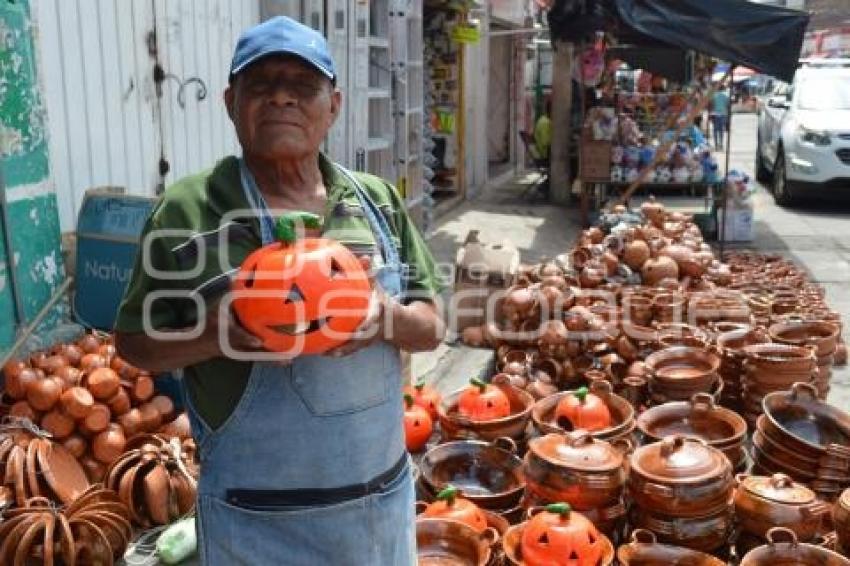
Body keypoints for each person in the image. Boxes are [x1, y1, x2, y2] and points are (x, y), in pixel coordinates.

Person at [114, 16, 445, 566]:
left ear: (333, 105)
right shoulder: (187, 212)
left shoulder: (378, 202)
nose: (281, 99)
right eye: (261, 85)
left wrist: (386, 317)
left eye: (302, 86)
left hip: (376, 516)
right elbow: (132, 344)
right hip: (255, 525)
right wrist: (212, 334)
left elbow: (432, 326)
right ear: (230, 101)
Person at [711, 82, 731, 150]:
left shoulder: (714, 95)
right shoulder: (726, 96)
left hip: (715, 114)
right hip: (723, 114)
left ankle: (716, 145)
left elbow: (712, 105)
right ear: (723, 88)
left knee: (715, 130)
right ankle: (721, 144)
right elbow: (728, 105)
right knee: (721, 130)